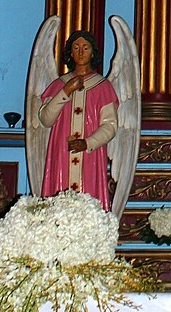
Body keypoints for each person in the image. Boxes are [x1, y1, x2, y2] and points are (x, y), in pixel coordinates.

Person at [39, 30, 119, 209]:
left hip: (89, 155)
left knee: (88, 200)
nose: (81, 52)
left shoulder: (102, 86)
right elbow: (46, 119)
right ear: (70, 53)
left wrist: (88, 142)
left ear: (93, 52)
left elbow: (110, 125)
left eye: (86, 47)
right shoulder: (60, 84)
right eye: (76, 48)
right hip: (62, 153)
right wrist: (66, 91)